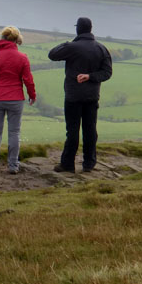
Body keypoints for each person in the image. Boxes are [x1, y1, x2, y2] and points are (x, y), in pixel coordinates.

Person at [48, 17, 112, 173]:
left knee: (73, 130)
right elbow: (107, 73)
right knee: (90, 130)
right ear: (91, 29)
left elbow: (52, 54)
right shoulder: (101, 48)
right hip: (92, 96)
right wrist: (91, 76)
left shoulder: (73, 47)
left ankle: (67, 164)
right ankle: (89, 164)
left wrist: (67, 43)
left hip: (73, 96)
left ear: (78, 29)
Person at [0, 26, 36, 174]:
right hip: (16, 98)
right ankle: (13, 165)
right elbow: (28, 80)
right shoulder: (22, 57)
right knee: (14, 133)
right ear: (16, 40)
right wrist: (32, 95)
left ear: (3, 39)